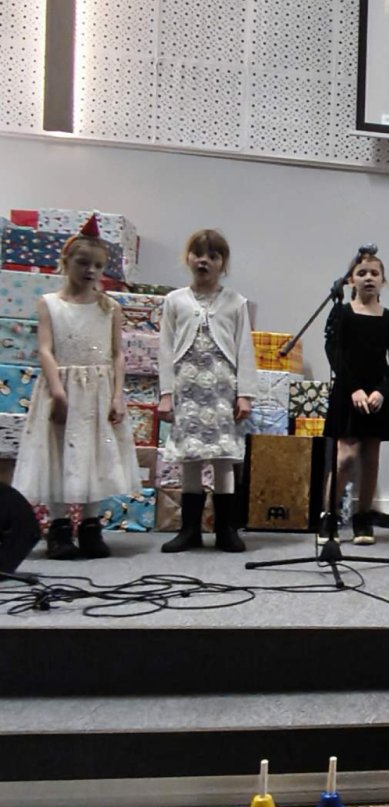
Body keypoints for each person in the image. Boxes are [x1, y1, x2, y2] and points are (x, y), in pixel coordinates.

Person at [13, 215, 142, 559]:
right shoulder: (50, 304)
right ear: (66, 261)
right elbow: (45, 349)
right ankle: (58, 527)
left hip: (97, 392)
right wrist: (58, 391)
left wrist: (117, 396)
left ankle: (89, 524)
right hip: (62, 388)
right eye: (83, 263)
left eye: (98, 265)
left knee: (93, 454)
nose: (91, 271)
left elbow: (117, 354)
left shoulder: (109, 307)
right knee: (59, 453)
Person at [157, 228, 257, 553]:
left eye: (213, 256)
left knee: (224, 457)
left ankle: (226, 529)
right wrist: (166, 393)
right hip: (187, 389)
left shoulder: (235, 303)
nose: (204, 261)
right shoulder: (175, 301)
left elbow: (244, 349)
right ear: (188, 258)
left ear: (222, 263)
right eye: (198, 254)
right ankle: (189, 530)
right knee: (191, 457)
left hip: (222, 390)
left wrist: (245, 394)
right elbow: (165, 349)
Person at [323, 249, 389, 545]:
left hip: (376, 394)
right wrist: (354, 389)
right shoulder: (341, 313)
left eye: (374, 273)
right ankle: (329, 515)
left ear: (383, 281)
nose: (368, 278)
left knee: (371, 458)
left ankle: (363, 517)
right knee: (346, 457)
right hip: (348, 391)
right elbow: (334, 352)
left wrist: (382, 390)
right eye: (362, 273)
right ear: (351, 280)